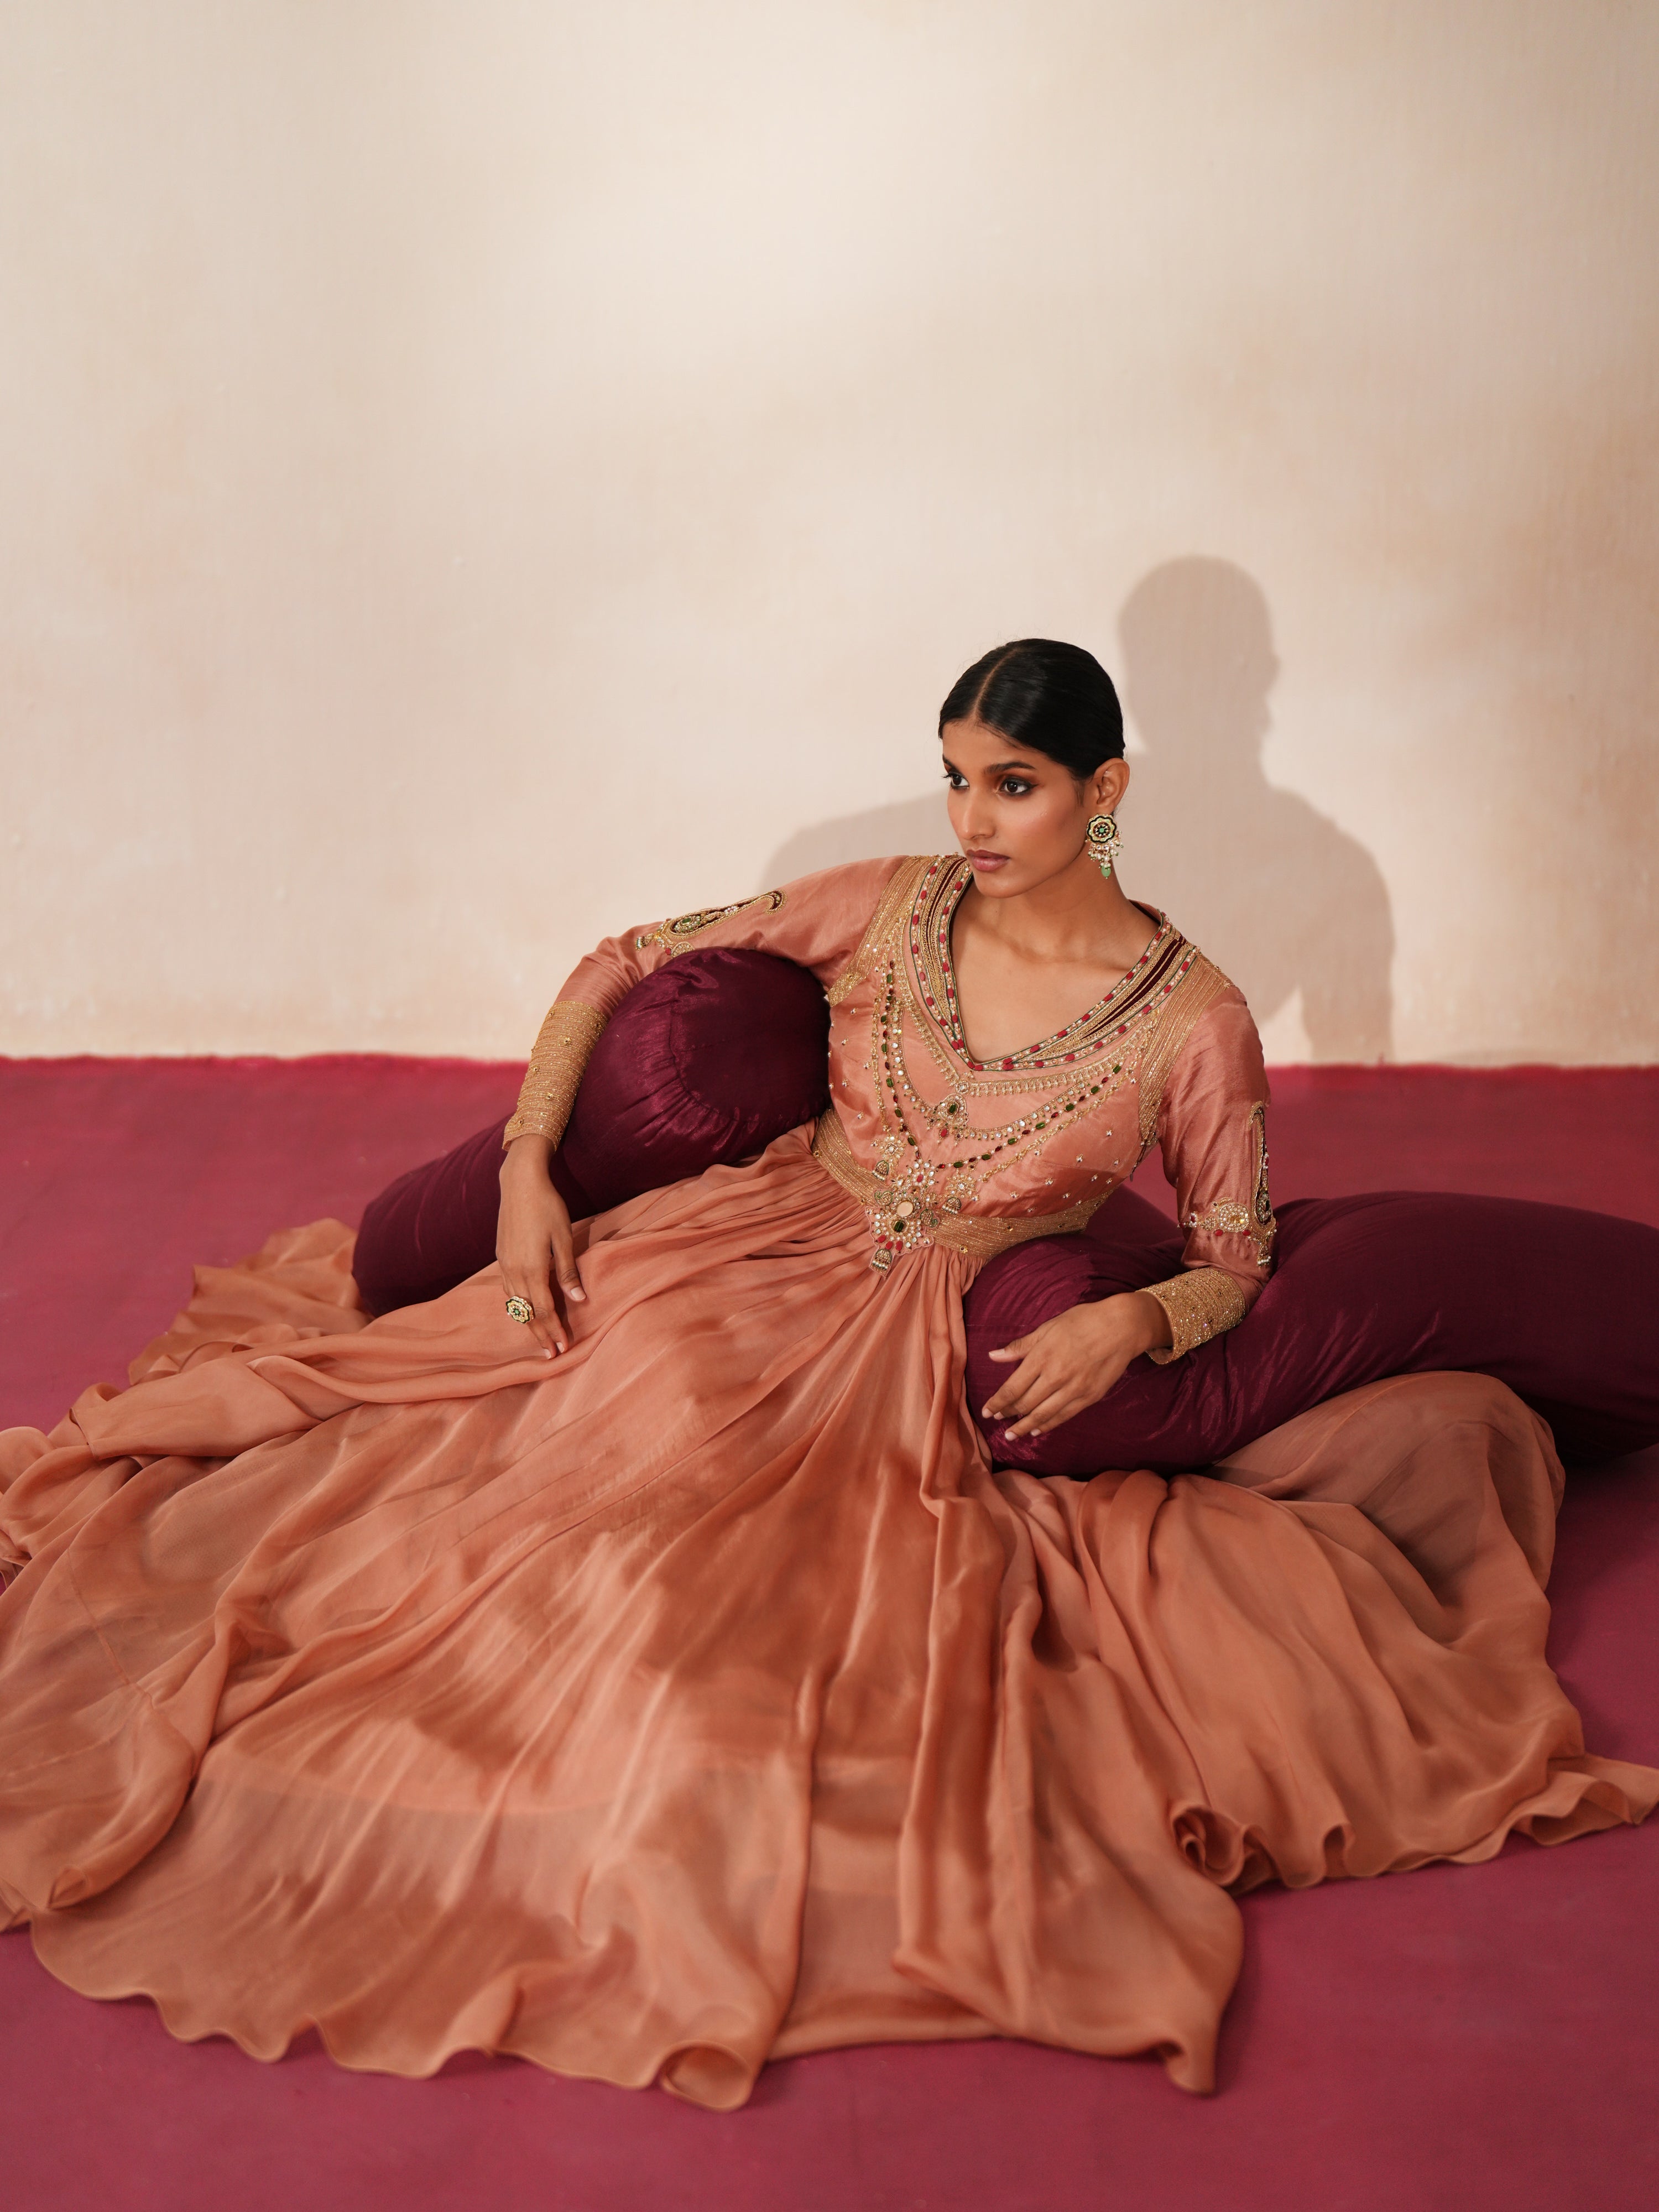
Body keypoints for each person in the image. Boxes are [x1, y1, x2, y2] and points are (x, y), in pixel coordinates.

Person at [1, 641, 1652, 2111]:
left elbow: (1230, 1255)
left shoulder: (1193, 1019)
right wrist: (523, 1166)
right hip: (750, 1252)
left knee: (769, 1609)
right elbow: (613, 961)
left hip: (952, 1333)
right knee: (536, 1469)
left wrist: (1131, 1324)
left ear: (1110, 787)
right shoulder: (892, 900)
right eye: (956, 780)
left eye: (1013, 785)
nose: (974, 821)